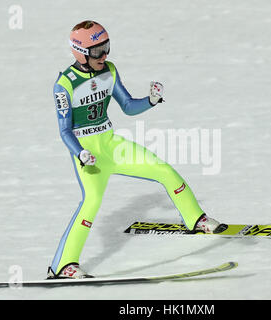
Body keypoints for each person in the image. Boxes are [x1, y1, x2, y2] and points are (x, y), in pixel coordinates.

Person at [48, 20, 227, 279]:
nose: (104, 55)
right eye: (97, 51)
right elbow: (65, 131)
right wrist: (80, 153)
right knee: (91, 203)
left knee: (163, 170)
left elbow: (128, 106)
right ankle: (63, 266)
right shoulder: (65, 84)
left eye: (107, 47)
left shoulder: (109, 70)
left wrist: (151, 101)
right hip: (90, 155)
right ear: (81, 53)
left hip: (111, 145)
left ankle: (195, 219)